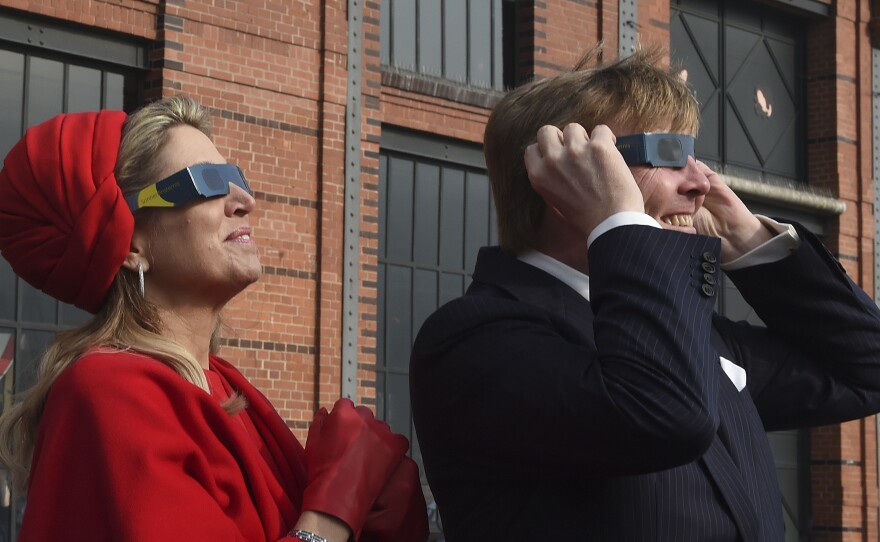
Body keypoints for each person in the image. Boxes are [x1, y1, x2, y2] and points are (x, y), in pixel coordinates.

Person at [409, 48, 880, 541]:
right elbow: (666, 416)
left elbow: (866, 368)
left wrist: (748, 240)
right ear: (564, 180)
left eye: (693, 156)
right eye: (668, 154)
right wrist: (620, 222)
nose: (701, 183)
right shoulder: (473, 340)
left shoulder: (693, 335)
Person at [0, 96, 428, 542]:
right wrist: (335, 510)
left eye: (234, 177)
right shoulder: (107, 391)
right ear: (130, 243)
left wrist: (379, 512)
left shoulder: (226, 387)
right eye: (205, 182)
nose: (245, 200)